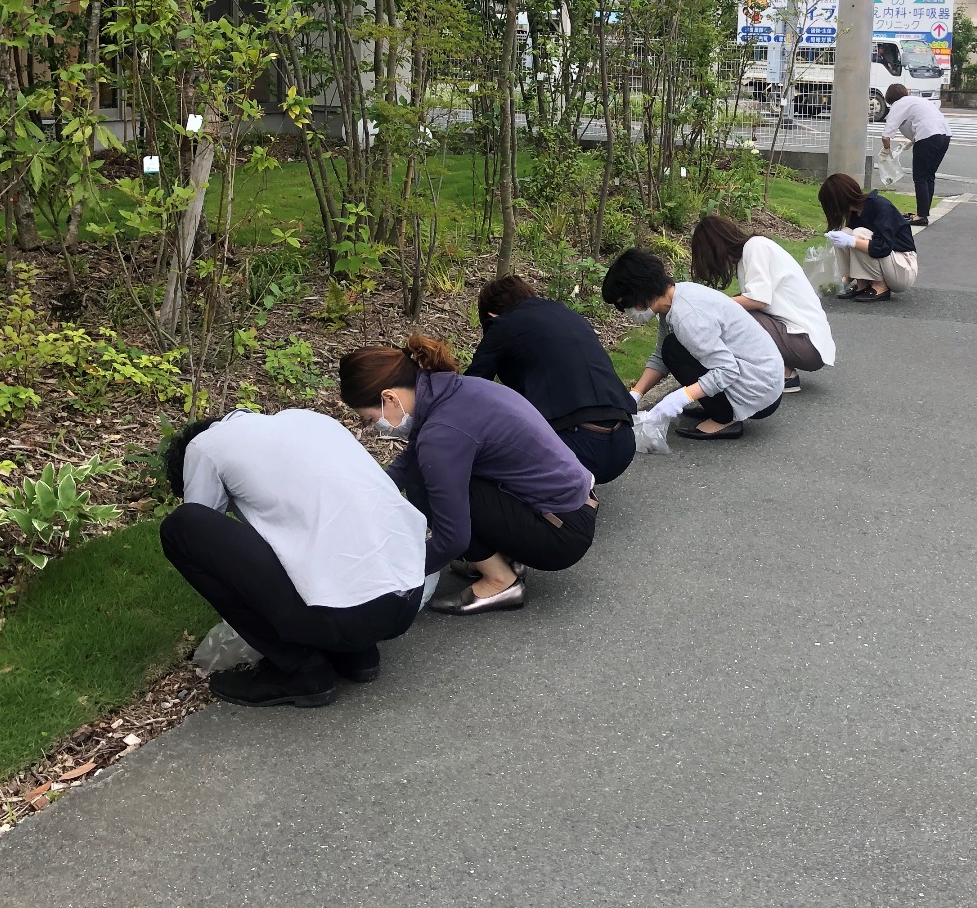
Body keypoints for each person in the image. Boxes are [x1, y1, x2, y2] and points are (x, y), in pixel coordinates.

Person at [159, 408, 428, 709]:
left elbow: (204, 529)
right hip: (406, 599)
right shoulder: (309, 420)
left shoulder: (204, 448)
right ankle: (357, 655)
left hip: (346, 616)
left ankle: (302, 669)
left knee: (182, 528)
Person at [340, 334, 597, 616]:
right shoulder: (452, 391)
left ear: (389, 397)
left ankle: (500, 580)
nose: (373, 426)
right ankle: (501, 556)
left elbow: (453, 538)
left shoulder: (442, 434)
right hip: (572, 506)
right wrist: (371, 495)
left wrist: (395, 577)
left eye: (368, 418)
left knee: (425, 482)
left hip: (559, 533)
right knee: (429, 472)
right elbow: (412, 454)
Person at [466, 274, 637, 484]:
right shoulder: (569, 315)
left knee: (481, 464)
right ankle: (575, 490)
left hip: (576, 447)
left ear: (492, 315)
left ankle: (565, 504)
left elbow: (469, 391)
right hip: (624, 442)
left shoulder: (502, 325)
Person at [600, 247, 784, 442]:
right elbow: (660, 356)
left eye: (624, 304)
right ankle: (719, 404)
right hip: (763, 379)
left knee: (674, 349)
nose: (626, 312)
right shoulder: (675, 299)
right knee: (671, 348)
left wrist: (680, 398)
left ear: (638, 291)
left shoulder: (687, 316)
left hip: (759, 391)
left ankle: (726, 417)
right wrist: (636, 394)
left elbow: (727, 370)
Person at [689, 214, 835, 395]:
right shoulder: (752, 251)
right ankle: (781, 371)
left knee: (736, 316)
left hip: (807, 343)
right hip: (804, 342)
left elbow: (758, 300)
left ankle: (782, 375)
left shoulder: (755, 247)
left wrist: (712, 304)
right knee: (736, 307)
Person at [818, 171, 918, 301]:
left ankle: (879, 286)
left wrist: (852, 241)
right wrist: (843, 281)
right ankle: (862, 284)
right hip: (889, 265)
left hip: (903, 267)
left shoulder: (881, 207)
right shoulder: (855, 213)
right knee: (844, 233)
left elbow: (883, 247)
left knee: (859, 233)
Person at [879, 82, 950, 225]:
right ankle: (924, 212)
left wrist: (886, 151)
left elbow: (886, 136)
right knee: (929, 175)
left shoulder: (898, 105)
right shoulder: (918, 101)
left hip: (927, 137)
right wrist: (910, 143)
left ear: (890, 97)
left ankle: (921, 216)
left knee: (920, 177)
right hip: (945, 136)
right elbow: (923, 121)